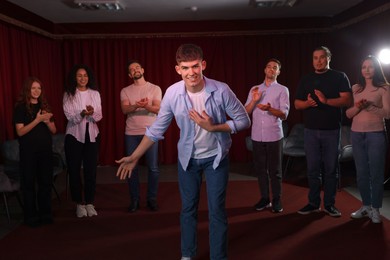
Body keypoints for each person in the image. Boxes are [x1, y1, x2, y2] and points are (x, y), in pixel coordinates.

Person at [116, 43, 250, 260]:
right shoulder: (172, 93)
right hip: (188, 160)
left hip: (216, 158)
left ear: (203, 65)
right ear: (178, 69)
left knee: (216, 211)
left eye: (195, 66)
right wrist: (135, 156)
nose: (191, 73)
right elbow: (156, 129)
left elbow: (244, 120)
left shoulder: (221, 89)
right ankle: (187, 255)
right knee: (188, 209)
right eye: (185, 68)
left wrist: (214, 127)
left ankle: (218, 257)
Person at [294, 46, 352, 217]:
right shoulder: (306, 79)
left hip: (331, 130)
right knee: (312, 169)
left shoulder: (339, 76)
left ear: (328, 58)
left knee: (330, 169)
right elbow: (297, 104)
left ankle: (329, 204)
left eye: (322, 57)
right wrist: (307, 104)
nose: (318, 61)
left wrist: (325, 101)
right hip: (311, 131)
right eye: (315, 58)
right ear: (312, 60)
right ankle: (313, 203)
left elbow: (347, 100)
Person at [346, 55, 390, 223]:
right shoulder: (356, 88)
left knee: (376, 174)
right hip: (357, 134)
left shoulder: (384, 88)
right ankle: (365, 205)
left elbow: (387, 114)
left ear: (376, 69)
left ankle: (376, 209)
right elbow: (348, 114)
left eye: (370, 67)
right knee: (362, 173)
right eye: (364, 67)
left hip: (376, 134)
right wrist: (358, 107)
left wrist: (370, 106)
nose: (366, 70)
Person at [244, 58, 289, 213]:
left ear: (278, 72)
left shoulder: (283, 90)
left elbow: (284, 115)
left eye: (274, 67)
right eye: (269, 67)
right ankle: (264, 199)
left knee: (275, 170)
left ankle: (277, 200)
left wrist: (270, 109)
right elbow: (246, 111)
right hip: (257, 135)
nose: (271, 69)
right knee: (261, 170)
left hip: (274, 135)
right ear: (264, 70)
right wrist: (255, 101)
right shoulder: (254, 89)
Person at [13, 77, 57, 227]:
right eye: (33, 88)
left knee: (45, 183)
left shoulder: (44, 106)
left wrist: (47, 121)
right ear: (27, 90)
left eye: (39, 88)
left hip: (45, 151)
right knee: (29, 185)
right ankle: (31, 216)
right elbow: (20, 132)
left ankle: (45, 213)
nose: (36, 91)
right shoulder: (20, 108)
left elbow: (54, 130)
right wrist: (37, 120)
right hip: (28, 153)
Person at [120, 60, 162, 212]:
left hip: (151, 133)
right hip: (131, 133)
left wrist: (146, 106)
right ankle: (135, 200)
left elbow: (158, 109)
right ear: (130, 74)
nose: (135, 70)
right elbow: (125, 110)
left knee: (153, 168)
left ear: (143, 70)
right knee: (132, 167)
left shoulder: (154, 88)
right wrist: (137, 105)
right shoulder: (125, 90)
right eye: (132, 69)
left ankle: (151, 199)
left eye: (137, 67)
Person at [63, 64, 102, 218]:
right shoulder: (69, 94)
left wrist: (91, 113)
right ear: (75, 77)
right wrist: (81, 113)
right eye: (79, 75)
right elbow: (69, 116)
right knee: (74, 170)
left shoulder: (95, 93)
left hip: (92, 135)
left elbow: (99, 115)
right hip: (74, 136)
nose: (82, 78)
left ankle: (90, 202)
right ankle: (79, 203)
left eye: (85, 75)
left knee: (91, 170)